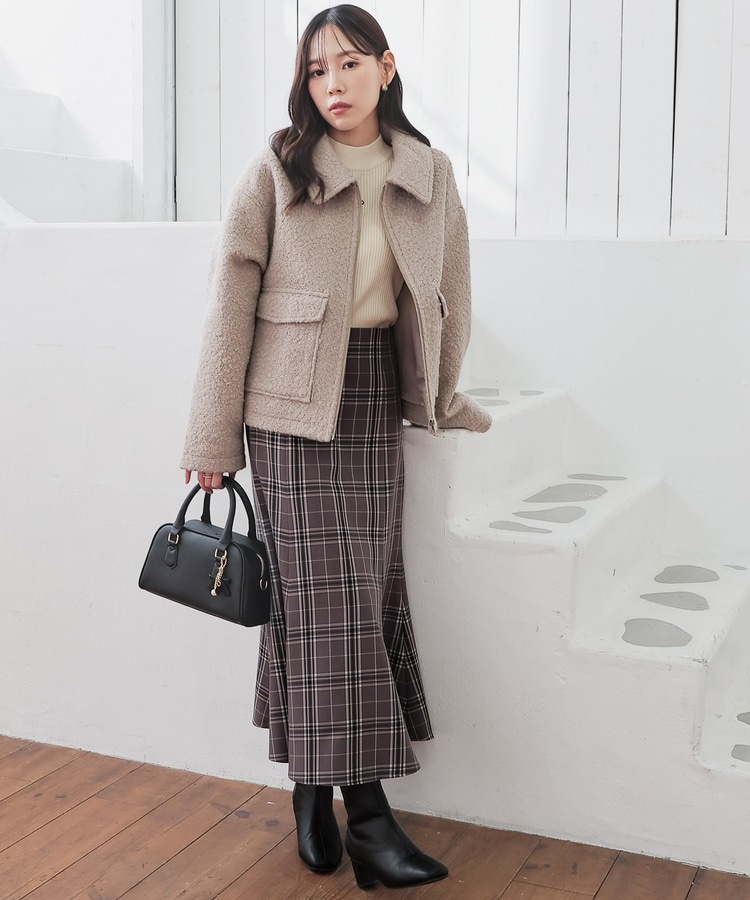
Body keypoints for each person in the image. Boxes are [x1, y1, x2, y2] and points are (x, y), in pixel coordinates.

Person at [181, 4, 491, 890]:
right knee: (333, 597)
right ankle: (372, 822)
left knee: (347, 592)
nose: (333, 84)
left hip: (370, 397)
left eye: (349, 64)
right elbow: (229, 301)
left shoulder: (428, 173)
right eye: (316, 70)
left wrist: (438, 396)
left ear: (386, 68)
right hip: (286, 405)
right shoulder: (279, 166)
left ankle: (309, 791)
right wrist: (211, 434)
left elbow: (450, 291)